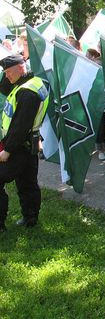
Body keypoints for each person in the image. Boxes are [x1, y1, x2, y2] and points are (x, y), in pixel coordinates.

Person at [0, 55, 49, 230]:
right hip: (29, 142)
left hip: (19, 145)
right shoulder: (30, 82)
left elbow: (21, 125)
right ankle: (30, 219)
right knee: (27, 182)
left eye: (8, 72)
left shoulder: (27, 91)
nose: (6, 77)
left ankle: (2, 224)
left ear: (21, 69)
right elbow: (4, 87)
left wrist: (8, 150)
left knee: (24, 182)